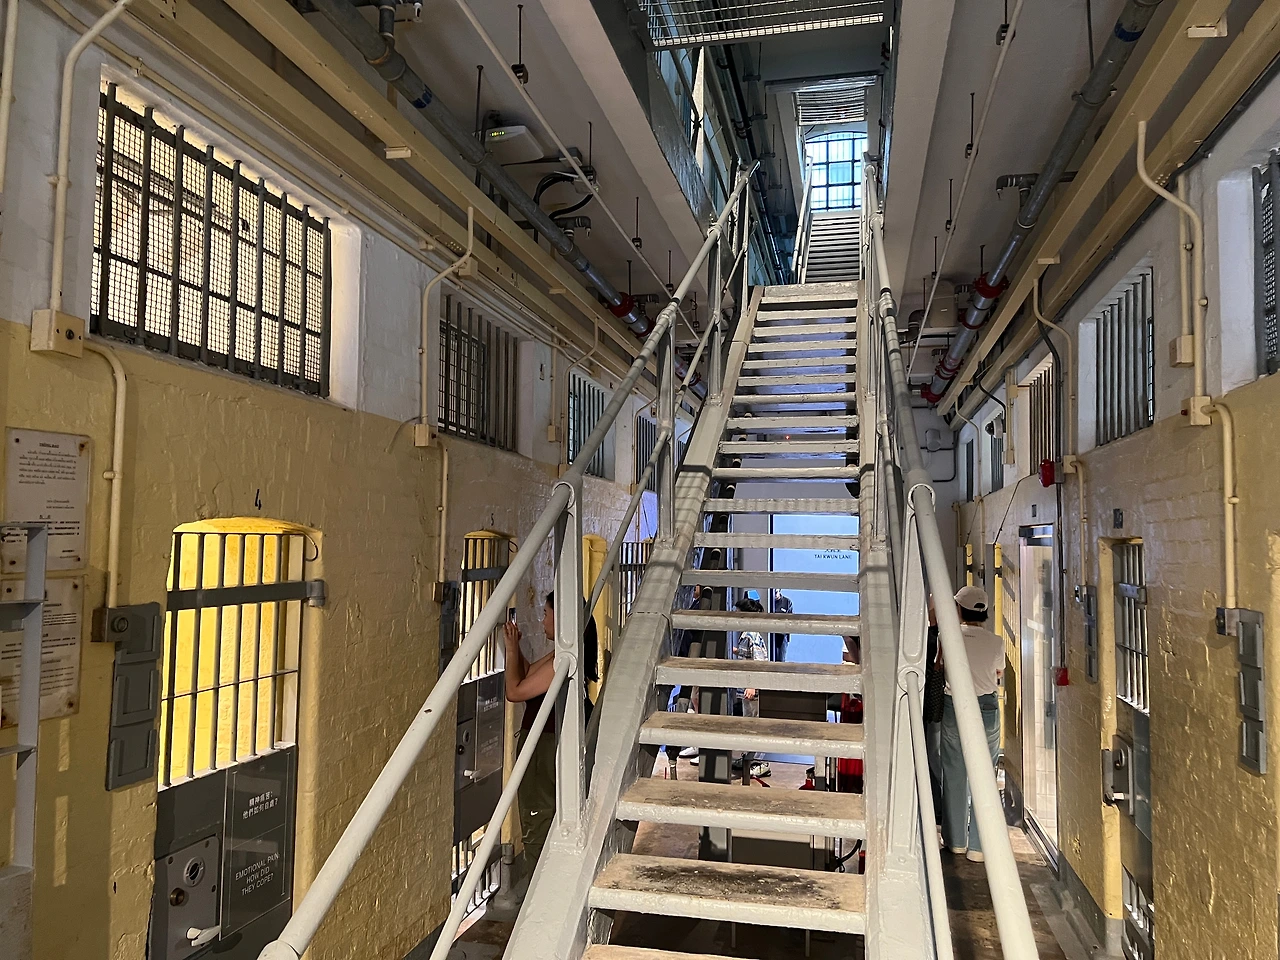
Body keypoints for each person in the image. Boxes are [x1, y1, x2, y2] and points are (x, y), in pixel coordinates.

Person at [503, 591, 598, 865]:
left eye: (546, 614)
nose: (542, 621)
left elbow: (515, 691)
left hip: (544, 747)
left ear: (561, 619)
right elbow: (528, 674)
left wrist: (511, 651)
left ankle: (538, 880)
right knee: (542, 815)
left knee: (538, 818)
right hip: (547, 744)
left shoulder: (563, 662)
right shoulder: (563, 654)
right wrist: (515, 647)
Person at [939, 584, 1005, 862]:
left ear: (958, 609)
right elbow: (998, 672)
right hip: (986, 706)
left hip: (954, 704)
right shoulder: (997, 642)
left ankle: (956, 841)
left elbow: (941, 666)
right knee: (985, 774)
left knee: (955, 771)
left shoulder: (947, 636)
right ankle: (979, 846)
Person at [731, 593, 771, 779]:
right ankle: (749, 757)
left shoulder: (751, 635)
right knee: (749, 722)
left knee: (754, 724)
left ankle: (757, 762)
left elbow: (759, 660)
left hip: (751, 687)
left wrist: (753, 685)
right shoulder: (748, 635)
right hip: (746, 686)